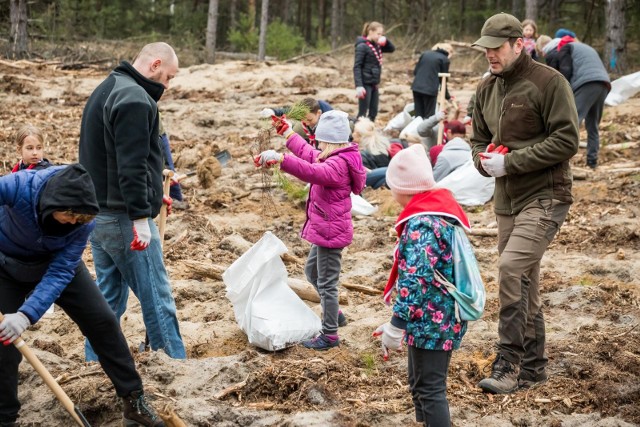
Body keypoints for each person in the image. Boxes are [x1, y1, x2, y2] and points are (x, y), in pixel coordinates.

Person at [0, 164, 165, 427]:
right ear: (55, 203)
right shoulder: (18, 186)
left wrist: (25, 315)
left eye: (81, 219)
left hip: (57, 265)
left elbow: (60, 272)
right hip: (6, 266)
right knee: (3, 342)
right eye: (71, 216)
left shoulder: (83, 224)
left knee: (103, 321)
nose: (74, 223)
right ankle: (5, 418)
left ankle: (133, 401)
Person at [470, 13, 579, 394]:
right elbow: (477, 140)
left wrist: (511, 162)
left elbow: (567, 140)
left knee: (511, 268)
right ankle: (534, 369)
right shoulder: (485, 90)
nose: (490, 55)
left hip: (547, 194)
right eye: (485, 49)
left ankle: (508, 361)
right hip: (506, 200)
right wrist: (484, 161)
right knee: (525, 281)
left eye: (496, 48)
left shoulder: (550, 82)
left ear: (519, 44)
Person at [79, 42, 186, 361]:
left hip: (99, 214)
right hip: (124, 218)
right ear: (155, 64)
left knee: (108, 299)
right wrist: (141, 218)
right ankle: (174, 367)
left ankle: (95, 365)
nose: (166, 86)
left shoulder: (109, 86)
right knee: (156, 295)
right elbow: (132, 164)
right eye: (168, 77)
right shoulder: (135, 99)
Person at [374, 144, 470, 427]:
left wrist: (396, 324)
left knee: (430, 390)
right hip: (429, 318)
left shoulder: (422, 225)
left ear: (403, 188)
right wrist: (398, 322)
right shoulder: (437, 211)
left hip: (434, 321)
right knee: (419, 385)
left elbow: (415, 280)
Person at [255, 110, 366, 349]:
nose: (317, 144)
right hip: (326, 229)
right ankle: (334, 315)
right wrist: (287, 132)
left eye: (320, 140)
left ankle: (330, 335)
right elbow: (308, 153)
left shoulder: (337, 165)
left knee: (326, 283)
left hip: (330, 234)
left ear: (331, 141)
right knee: (312, 273)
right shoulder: (334, 155)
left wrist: (282, 160)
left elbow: (312, 171)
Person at [546, 37, 611, 169]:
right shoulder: (584, 47)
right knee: (592, 125)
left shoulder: (566, 48)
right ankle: (592, 162)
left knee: (572, 121)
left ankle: (561, 160)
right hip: (603, 83)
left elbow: (565, 71)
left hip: (586, 83)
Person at [353, 21, 395, 122]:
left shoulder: (377, 45)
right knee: (362, 113)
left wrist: (386, 41)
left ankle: (369, 133)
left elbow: (392, 49)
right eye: (378, 34)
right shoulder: (362, 46)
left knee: (373, 112)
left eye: (382, 34)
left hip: (374, 83)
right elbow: (357, 66)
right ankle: (355, 134)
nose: (380, 36)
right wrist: (359, 85)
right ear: (370, 31)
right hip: (365, 84)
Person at [261, 98, 334, 146]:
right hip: (308, 130)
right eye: (302, 119)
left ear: (319, 113)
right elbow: (289, 111)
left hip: (324, 133)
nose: (307, 122)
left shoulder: (329, 119)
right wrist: (273, 111)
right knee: (296, 130)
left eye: (309, 120)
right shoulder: (304, 114)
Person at [411, 43, 453, 119]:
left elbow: (415, 72)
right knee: (429, 117)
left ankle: (415, 130)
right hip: (429, 91)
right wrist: (448, 97)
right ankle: (426, 131)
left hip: (416, 87)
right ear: (449, 52)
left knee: (418, 116)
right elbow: (443, 81)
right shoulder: (444, 59)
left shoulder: (425, 54)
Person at [158, 114, 188, 210]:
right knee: (167, 170)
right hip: (152, 132)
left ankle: (175, 200)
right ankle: (174, 199)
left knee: (168, 171)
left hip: (157, 129)